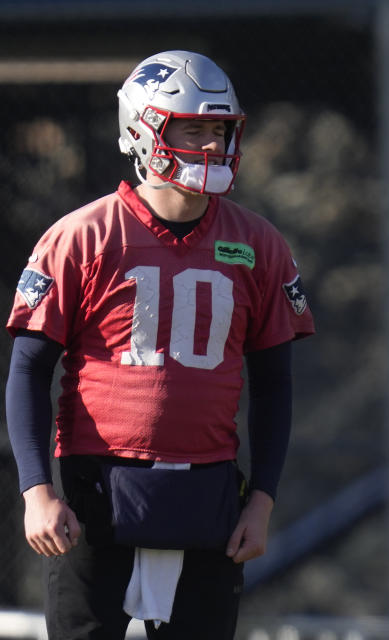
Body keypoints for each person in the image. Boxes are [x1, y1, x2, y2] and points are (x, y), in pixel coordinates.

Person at [5, 50, 315, 639]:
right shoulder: (82, 236)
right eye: (191, 127)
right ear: (141, 131)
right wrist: (36, 491)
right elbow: (28, 372)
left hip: (209, 491)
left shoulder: (259, 244)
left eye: (219, 129)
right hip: (94, 491)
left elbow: (275, 384)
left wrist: (263, 500)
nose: (209, 144)